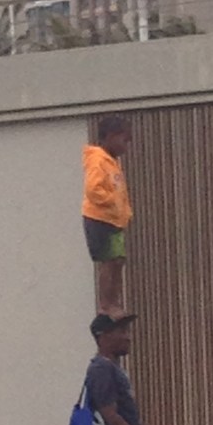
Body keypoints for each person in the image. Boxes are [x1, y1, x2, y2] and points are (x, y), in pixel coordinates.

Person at [82, 116, 133, 317]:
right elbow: (93, 190)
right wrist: (112, 201)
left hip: (114, 219)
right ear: (111, 137)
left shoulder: (112, 163)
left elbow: (120, 190)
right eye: (124, 140)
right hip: (100, 219)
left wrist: (125, 210)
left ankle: (114, 300)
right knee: (108, 261)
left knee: (118, 260)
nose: (126, 146)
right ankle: (106, 304)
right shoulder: (98, 160)